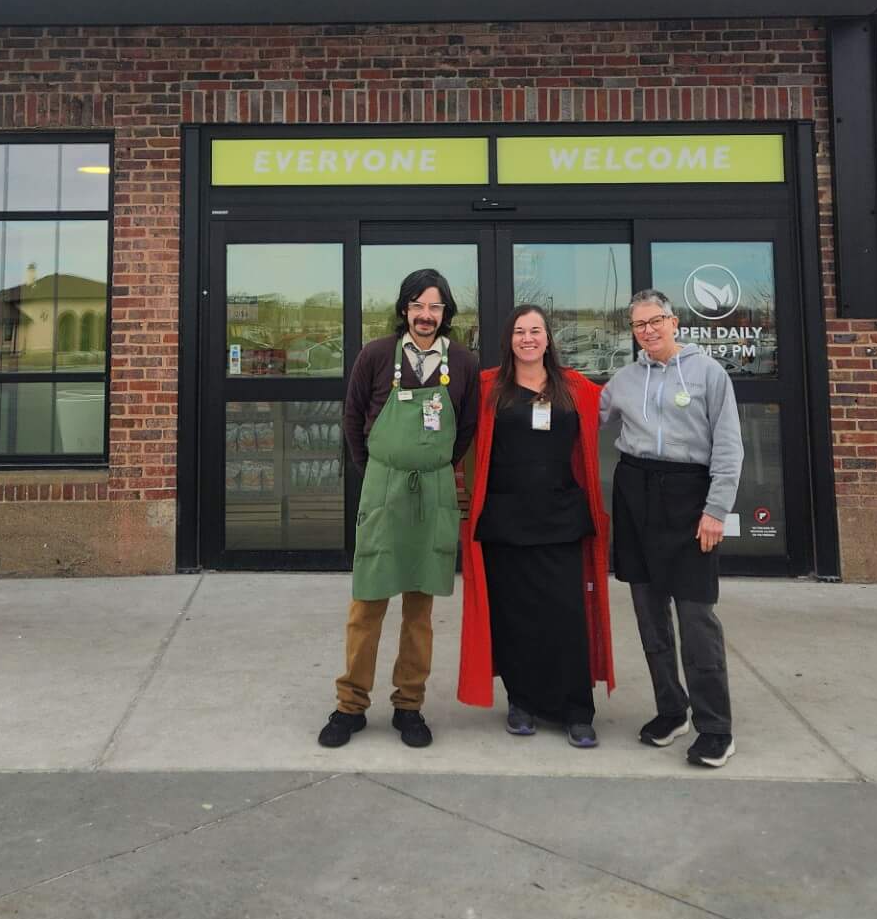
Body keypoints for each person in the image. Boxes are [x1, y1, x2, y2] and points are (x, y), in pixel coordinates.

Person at [318, 269, 480, 750]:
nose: (426, 315)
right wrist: (375, 470)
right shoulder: (376, 355)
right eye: (417, 305)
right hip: (383, 487)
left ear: (445, 313)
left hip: (432, 491)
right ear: (404, 310)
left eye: (435, 307)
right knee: (367, 602)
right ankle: (351, 705)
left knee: (420, 608)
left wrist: (431, 466)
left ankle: (409, 705)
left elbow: (465, 428)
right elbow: (352, 417)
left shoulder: (464, 363)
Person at [599, 288, 744, 768]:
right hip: (635, 493)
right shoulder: (622, 379)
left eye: (655, 321)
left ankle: (715, 726)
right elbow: (579, 418)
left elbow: (728, 447)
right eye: (639, 325)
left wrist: (716, 510)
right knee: (648, 613)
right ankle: (671, 709)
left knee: (697, 618)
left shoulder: (708, 373)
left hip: (689, 498)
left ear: (674, 321)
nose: (648, 331)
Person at [457, 305, 614, 746]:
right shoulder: (488, 386)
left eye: (536, 331)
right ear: (509, 340)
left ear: (549, 338)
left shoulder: (576, 388)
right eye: (520, 332)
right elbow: (450, 423)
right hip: (505, 522)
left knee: (565, 615)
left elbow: (626, 407)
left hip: (560, 520)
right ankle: (521, 701)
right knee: (516, 617)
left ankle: (576, 708)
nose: (528, 338)